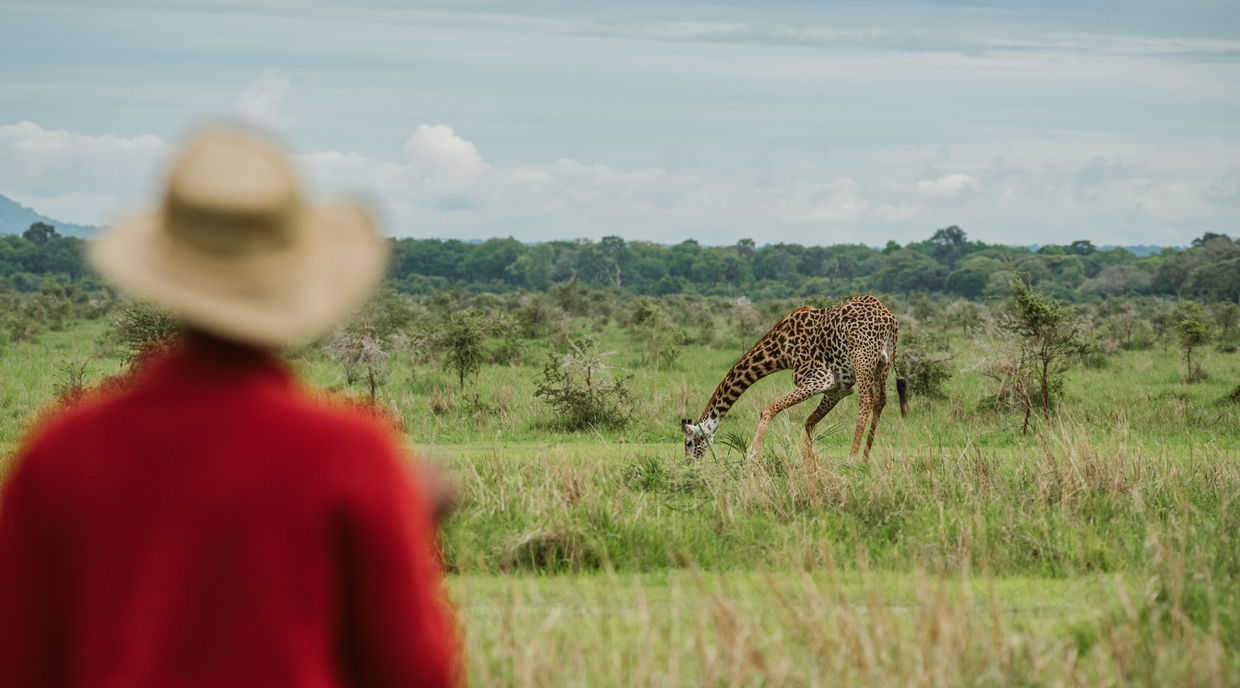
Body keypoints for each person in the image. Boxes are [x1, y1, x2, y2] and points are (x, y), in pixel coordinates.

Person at [0, 127, 461, 687]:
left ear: (164, 266)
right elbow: (416, 671)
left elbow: (21, 661)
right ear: (299, 273)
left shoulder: (63, 450)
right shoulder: (350, 452)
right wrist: (409, 524)